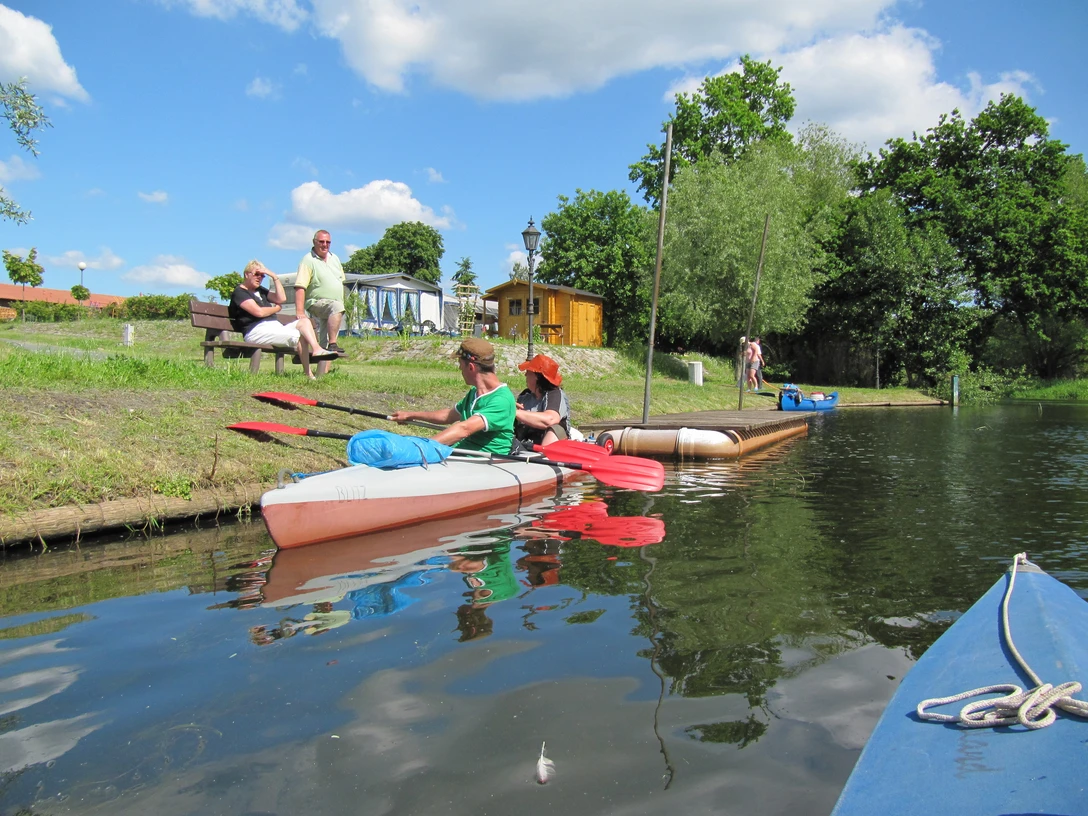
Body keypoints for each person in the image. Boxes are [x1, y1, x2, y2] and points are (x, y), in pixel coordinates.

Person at [390, 338, 515, 454]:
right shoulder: (475, 392)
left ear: (471, 367)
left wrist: (421, 448)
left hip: (483, 464)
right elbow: (448, 416)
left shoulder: (501, 400)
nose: (460, 368)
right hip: (462, 457)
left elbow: (464, 429)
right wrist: (410, 415)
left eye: (460, 364)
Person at [228, 260, 336, 380]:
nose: (260, 278)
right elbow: (258, 312)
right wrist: (276, 309)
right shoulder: (240, 292)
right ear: (247, 274)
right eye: (257, 274)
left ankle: (316, 349)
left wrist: (274, 277)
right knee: (298, 335)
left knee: (305, 322)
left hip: (274, 327)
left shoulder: (260, 290)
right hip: (256, 331)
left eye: (263, 275)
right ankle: (309, 374)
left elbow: (281, 298)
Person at [294, 229, 346, 354]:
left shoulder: (335, 259)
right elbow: (300, 286)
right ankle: (333, 344)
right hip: (317, 302)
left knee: (325, 345)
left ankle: (324, 361)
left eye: (328, 242)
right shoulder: (308, 260)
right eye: (321, 241)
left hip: (332, 306)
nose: (325, 245)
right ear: (314, 242)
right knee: (337, 307)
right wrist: (300, 311)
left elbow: (341, 280)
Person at [513, 353, 571, 449]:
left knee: (555, 429)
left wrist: (514, 412)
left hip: (551, 446)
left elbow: (550, 419)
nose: (525, 374)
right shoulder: (525, 395)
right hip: (526, 442)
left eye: (528, 372)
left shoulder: (554, 394)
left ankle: (543, 455)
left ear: (536, 376)